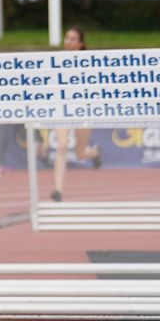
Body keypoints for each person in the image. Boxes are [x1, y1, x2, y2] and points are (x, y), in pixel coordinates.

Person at [38, 27, 101, 201]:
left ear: (81, 44)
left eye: (73, 39)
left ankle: (94, 154)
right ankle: (58, 190)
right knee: (62, 146)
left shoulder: (89, 62)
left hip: (82, 109)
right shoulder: (56, 60)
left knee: (80, 153)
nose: (69, 42)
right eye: (67, 38)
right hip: (62, 109)